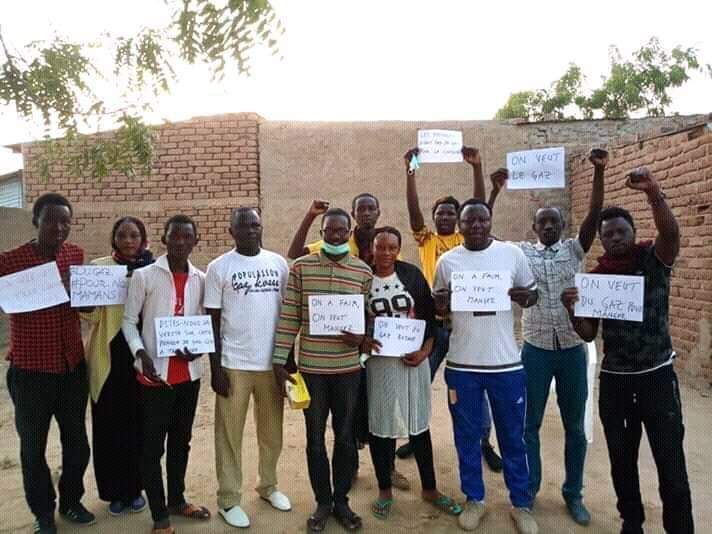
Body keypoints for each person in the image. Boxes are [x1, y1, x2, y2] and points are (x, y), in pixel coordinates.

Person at [561, 168, 693, 534]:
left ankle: (680, 527)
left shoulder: (653, 260)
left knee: (671, 463)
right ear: (601, 241)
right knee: (622, 462)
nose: (615, 237)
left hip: (656, 378)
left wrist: (654, 192)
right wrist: (573, 311)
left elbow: (672, 233)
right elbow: (588, 335)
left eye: (621, 231)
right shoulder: (598, 279)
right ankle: (631, 523)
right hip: (616, 382)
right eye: (608, 234)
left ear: (633, 233)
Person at [487, 149, 606, 525]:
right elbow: (484, 231)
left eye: (555, 221)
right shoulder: (521, 253)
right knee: (529, 425)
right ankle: (530, 488)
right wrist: (493, 192)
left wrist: (598, 172)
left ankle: (573, 493)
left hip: (572, 348)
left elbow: (594, 217)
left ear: (562, 224)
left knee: (574, 425)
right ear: (535, 228)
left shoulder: (575, 249)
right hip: (535, 349)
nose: (550, 227)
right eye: (544, 223)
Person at [287, 195, 409, 489]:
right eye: (361, 209)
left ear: (378, 212)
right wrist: (310, 215)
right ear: (354, 215)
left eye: (371, 208)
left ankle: (388, 468)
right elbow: (294, 253)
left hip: (373, 348)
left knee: (381, 408)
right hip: (338, 357)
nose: (366, 213)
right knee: (348, 418)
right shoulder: (335, 248)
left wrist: (375, 338)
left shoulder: (387, 249)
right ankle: (349, 469)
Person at [433, 199, 539, 533]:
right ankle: (474, 499)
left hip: (505, 363)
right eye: (469, 221)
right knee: (467, 435)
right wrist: (441, 304)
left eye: (482, 219)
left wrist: (525, 297)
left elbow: (532, 295)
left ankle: (520, 504)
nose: (476, 225)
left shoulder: (512, 254)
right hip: (463, 364)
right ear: (460, 226)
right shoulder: (447, 261)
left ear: (490, 221)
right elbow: (440, 308)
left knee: (512, 436)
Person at [398, 146, 502, 473]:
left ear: (459, 219)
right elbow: (413, 211)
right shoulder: (426, 239)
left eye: (449, 213)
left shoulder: (465, 238)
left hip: (465, 323)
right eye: (439, 212)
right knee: (419, 381)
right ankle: (416, 437)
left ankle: (484, 441)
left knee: (474, 386)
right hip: (432, 324)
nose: (444, 216)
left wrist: (477, 167)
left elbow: (480, 206)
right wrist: (410, 171)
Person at [273, 208, 372, 532]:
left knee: (344, 437)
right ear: (322, 231)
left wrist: (363, 339)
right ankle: (323, 502)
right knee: (314, 437)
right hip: (313, 369)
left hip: (347, 371)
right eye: (329, 230)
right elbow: (289, 315)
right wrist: (279, 360)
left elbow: (369, 317)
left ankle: (341, 500)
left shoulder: (362, 271)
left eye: (342, 230)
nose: (335, 235)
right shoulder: (301, 268)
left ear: (349, 232)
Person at [2, 193, 95, 534]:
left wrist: (87, 297)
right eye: (51, 220)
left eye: (65, 221)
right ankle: (43, 513)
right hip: (30, 371)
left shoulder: (75, 255)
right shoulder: (10, 262)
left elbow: (85, 309)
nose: (59, 227)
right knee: (32, 449)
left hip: (71, 367)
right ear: (36, 222)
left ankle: (71, 500)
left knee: (78, 444)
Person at [362, 227, 462, 522]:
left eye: (392, 248)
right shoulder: (363, 278)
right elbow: (356, 320)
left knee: (418, 424)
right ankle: (384, 489)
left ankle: (429, 489)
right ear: (372, 249)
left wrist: (425, 352)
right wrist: (365, 340)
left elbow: (430, 321)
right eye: (381, 247)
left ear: (398, 249)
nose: (386, 253)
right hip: (380, 364)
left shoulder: (412, 275)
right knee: (380, 425)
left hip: (413, 360)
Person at [122, 214, 210, 534]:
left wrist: (199, 348)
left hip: (189, 376)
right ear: (164, 239)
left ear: (195, 241)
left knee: (181, 442)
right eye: (175, 237)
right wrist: (140, 352)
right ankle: (159, 516)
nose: (181, 242)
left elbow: (202, 325)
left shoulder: (201, 279)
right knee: (152, 447)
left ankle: (177, 499)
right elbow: (128, 321)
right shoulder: (145, 276)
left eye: (188, 237)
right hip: (154, 376)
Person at [204, 207, 291, 528]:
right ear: (232, 232)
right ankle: (228, 500)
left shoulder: (277, 264)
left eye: (256, 225)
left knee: (272, 433)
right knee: (229, 435)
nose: (251, 231)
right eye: (244, 227)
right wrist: (215, 368)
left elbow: (287, 313)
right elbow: (211, 322)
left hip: (271, 364)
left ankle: (268, 486)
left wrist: (287, 359)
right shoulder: (219, 268)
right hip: (233, 365)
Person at [82, 216, 153, 516]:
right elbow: (91, 316)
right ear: (114, 239)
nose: (128, 241)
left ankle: (136, 489)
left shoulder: (153, 270)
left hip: (143, 356)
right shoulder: (99, 269)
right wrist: (83, 301)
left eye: (134, 235)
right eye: (122, 235)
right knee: (109, 427)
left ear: (143, 239)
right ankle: (114, 492)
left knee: (140, 426)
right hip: (109, 356)